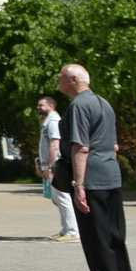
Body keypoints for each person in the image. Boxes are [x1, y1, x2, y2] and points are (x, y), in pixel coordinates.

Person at [60, 62, 136, 271]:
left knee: (97, 238)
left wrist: (79, 185)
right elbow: (113, 147)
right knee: (115, 236)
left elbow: (81, 148)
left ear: (73, 80)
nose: (58, 83)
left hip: (92, 179)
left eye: (61, 78)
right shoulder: (104, 103)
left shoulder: (78, 106)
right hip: (111, 176)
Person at [35, 94, 78, 239]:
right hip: (52, 165)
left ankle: (72, 231)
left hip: (57, 165)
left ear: (51, 106)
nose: (38, 107)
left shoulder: (53, 122)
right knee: (57, 198)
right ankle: (66, 229)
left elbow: (54, 145)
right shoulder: (47, 122)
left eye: (42, 105)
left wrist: (50, 167)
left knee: (63, 197)